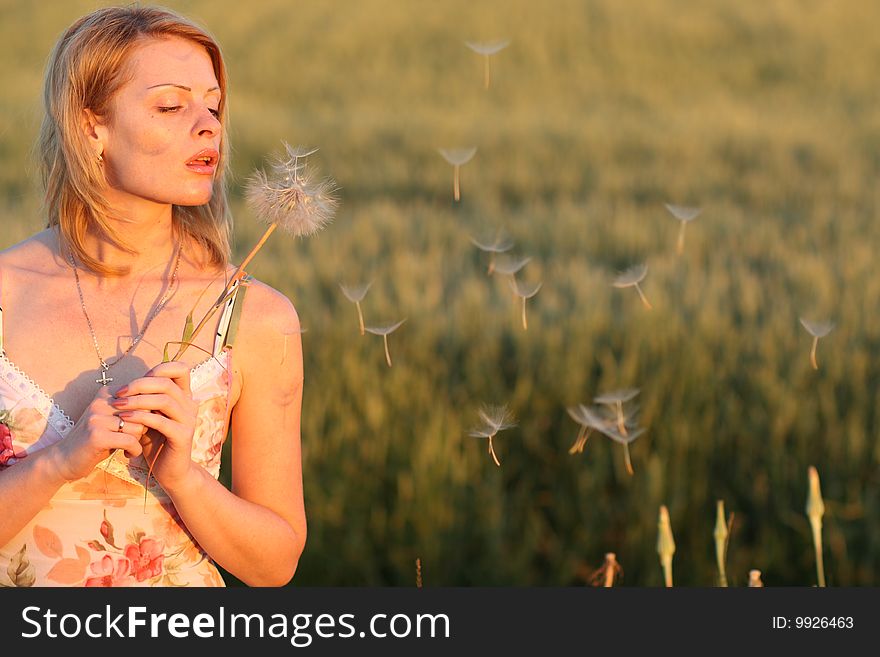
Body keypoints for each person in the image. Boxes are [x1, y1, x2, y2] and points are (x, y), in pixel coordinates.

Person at [0, 5, 306, 587]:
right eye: (171, 106)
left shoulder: (255, 318)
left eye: (213, 106)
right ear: (91, 125)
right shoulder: (4, 293)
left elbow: (275, 564)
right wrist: (57, 464)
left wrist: (185, 477)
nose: (208, 125)